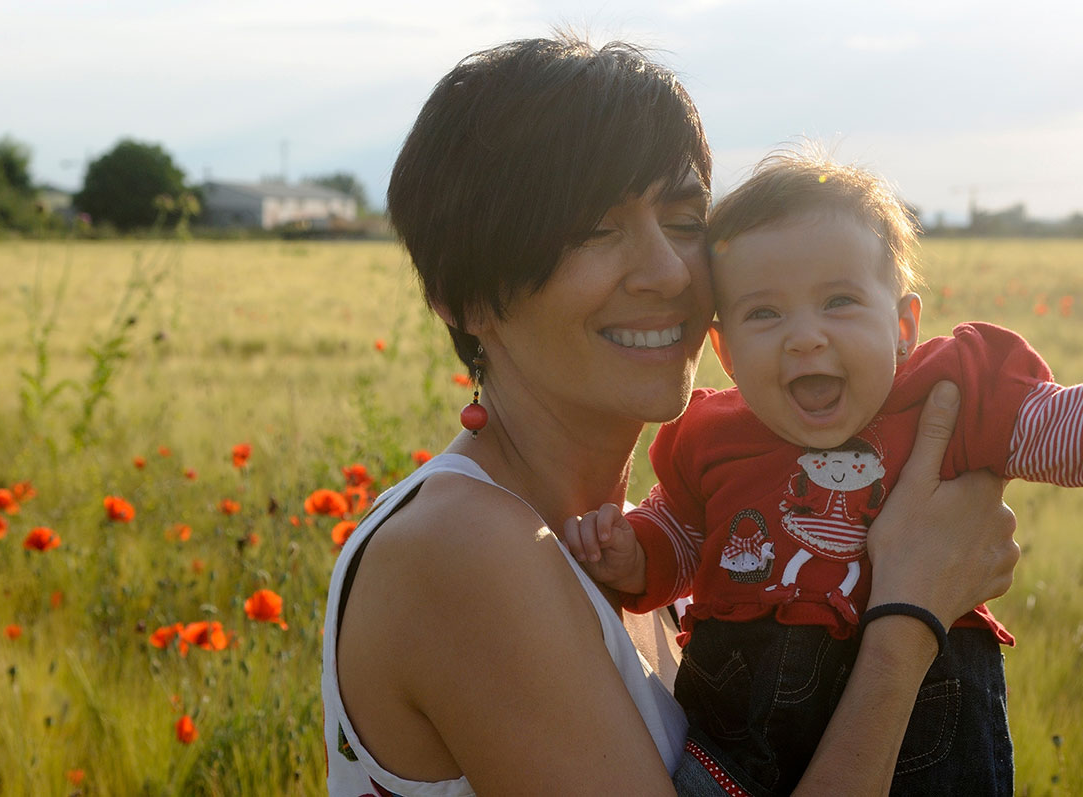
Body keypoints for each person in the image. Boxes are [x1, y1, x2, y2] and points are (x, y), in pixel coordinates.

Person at [322, 37, 1019, 796]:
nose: (669, 273)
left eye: (684, 219)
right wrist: (911, 613)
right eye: (594, 229)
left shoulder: (655, 544)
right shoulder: (460, 547)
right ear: (465, 299)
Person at [563, 151, 1082, 794]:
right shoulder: (711, 437)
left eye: (838, 301)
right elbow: (680, 536)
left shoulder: (945, 395)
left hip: (930, 732)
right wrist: (633, 555)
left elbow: (1056, 428)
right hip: (738, 746)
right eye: (764, 313)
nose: (804, 337)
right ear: (724, 350)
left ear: (902, 327)